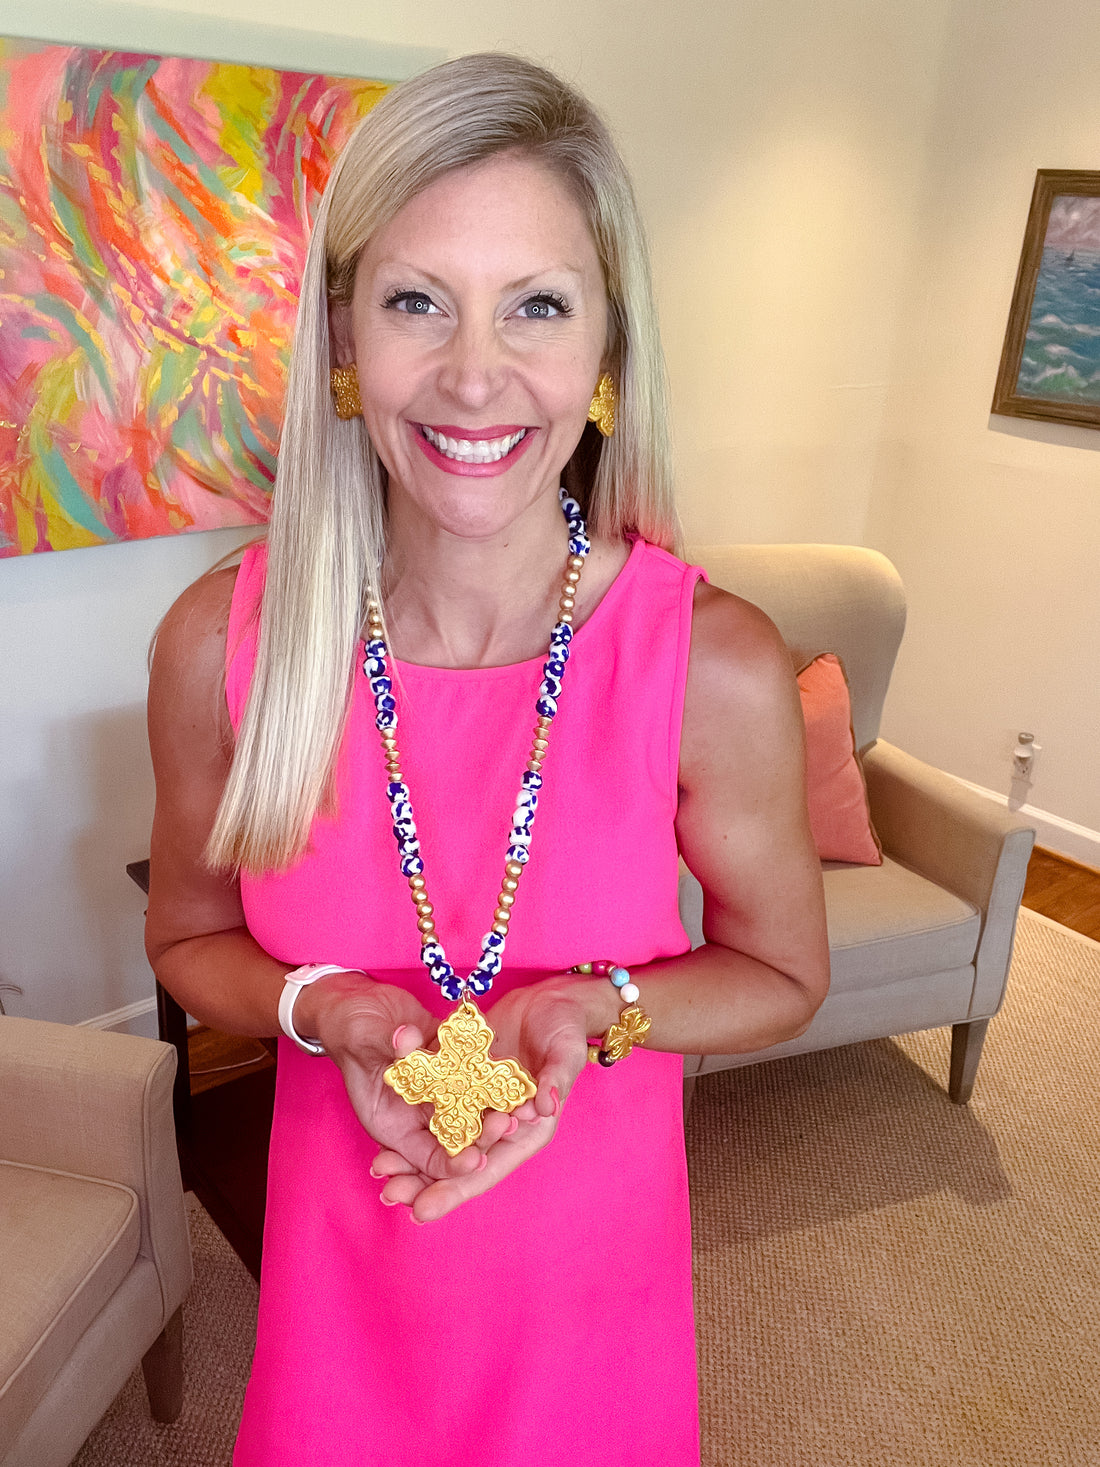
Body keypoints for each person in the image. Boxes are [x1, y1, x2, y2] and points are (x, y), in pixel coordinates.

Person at [145, 52, 829, 1467]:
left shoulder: (711, 662)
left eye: (537, 306)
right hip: (339, 1295)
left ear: (605, 355)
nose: (473, 374)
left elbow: (782, 975)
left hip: (590, 1306)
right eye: (415, 302)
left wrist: (599, 1011)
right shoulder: (227, 642)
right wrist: (319, 1007)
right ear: (344, 337)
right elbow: (190, 935)